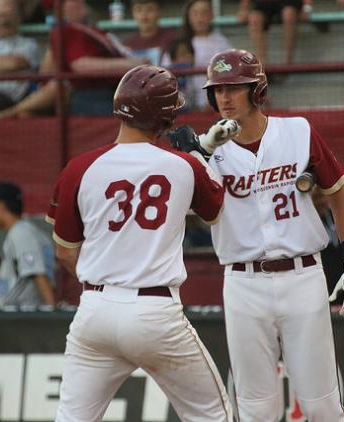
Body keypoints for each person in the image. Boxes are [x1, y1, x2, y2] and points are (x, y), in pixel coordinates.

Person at [169, 48, 344, 421]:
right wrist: (201, 154)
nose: (224, 98)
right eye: (217, 90)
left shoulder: (297, 131)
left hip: (303, 275)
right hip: (243, 281)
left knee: (322, 405)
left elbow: (340, 196)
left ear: (256, 89)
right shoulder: (206, 148)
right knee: (257, 408)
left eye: (235, 88)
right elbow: (189, 212)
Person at [46, 64, 232, 421]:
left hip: (95, 308)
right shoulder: (183, 165)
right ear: (164, 117)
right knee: (213, 415)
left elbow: (65, 252)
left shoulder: (79, 167)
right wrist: (198, 153)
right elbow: (215, 213)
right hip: (154, 312)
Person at [0, 0, 147, 118]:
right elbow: (81, 65)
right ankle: (10, 113)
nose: (80, 2)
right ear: (61, 8)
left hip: (114, 90)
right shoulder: (68, 31)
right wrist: (131, 64)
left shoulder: (93, 30)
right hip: (94, 95)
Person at [0, 181, 56, 307]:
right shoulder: (25, 231)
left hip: (21, 315)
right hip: (21, 314)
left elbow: (37, 273)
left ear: (1, 205)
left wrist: (52, 313)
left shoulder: (21, 233)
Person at [181, 0, 232, 110]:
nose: (200, 18)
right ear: (188, 16)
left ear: (211, 16)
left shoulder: (221, 42)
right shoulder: (180, 44)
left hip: (215, 106)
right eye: (195, 13)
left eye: (204, 13)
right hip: (186, 107)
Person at [238, 0, 312, 67]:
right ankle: (263, 64)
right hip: (265, 3)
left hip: (289, 3)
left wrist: (307, 8)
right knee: (254, 18)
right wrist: (244, 9)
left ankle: (288, 63)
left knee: (289, 14)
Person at [124, 0, 175, 66]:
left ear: (159, 12)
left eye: (150, 9)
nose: (144, 14)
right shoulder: (127, 44)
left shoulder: (173, 38)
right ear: (133, 14)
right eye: (139, 10)